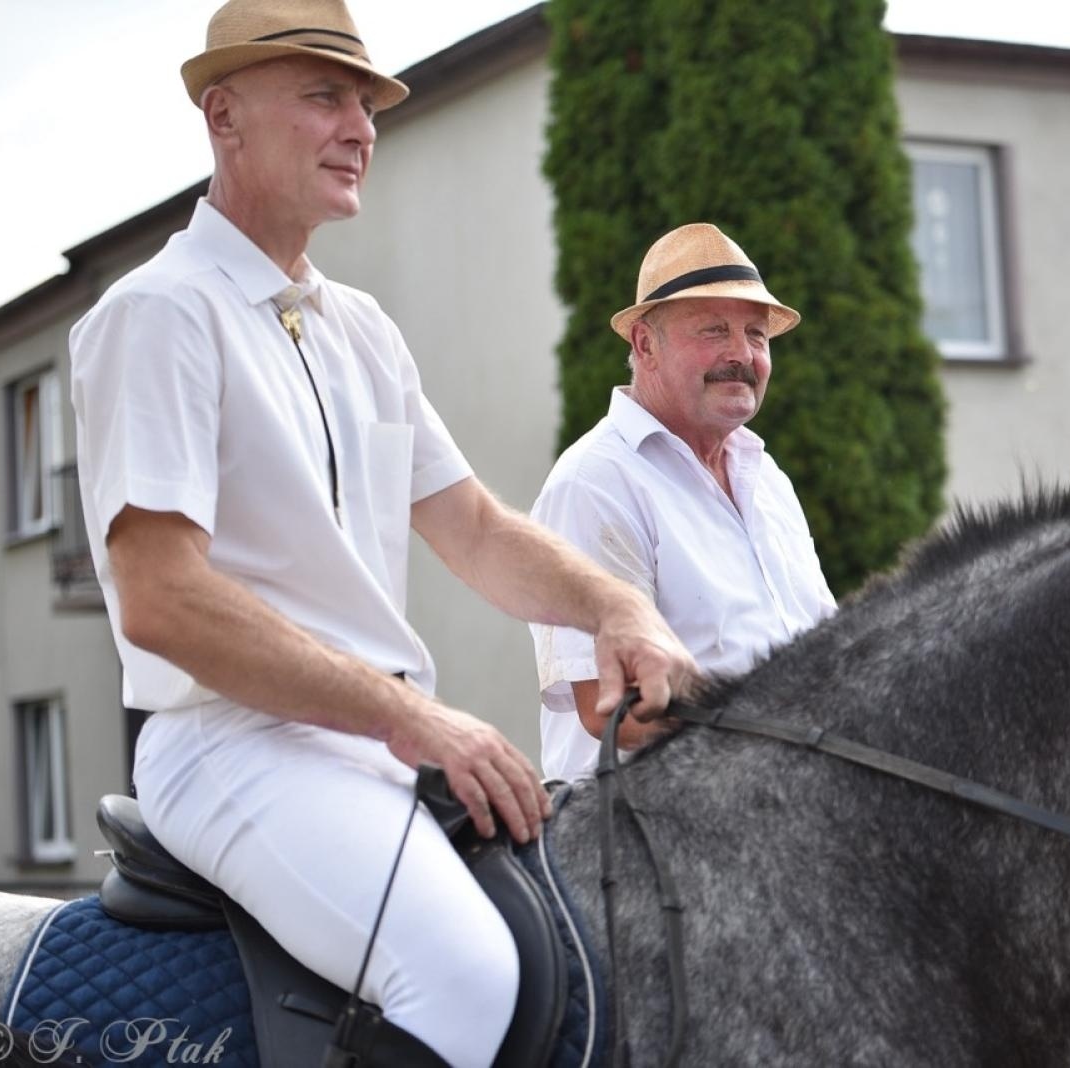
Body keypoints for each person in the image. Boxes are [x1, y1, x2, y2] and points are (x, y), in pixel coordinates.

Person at [67, 3, 696, 1066]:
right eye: (324, 95)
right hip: (231, 743)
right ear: (223, 115)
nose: (360, 126)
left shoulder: (361, 326)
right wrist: (415, 719)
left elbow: (477, 529)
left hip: (363, 743)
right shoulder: (160, 312)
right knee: (467, 976)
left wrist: (618, 607)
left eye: (365, 102)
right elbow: (161, 598)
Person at [530, 223, 836, 781]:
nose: (742, 355)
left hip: (779, 811)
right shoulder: (595, 480)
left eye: (757, 336)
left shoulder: (766, 478)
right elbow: (611, 707)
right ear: (646, 345)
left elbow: (826, 657)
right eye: (715, 330)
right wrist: (789, 730)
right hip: (643, 836)